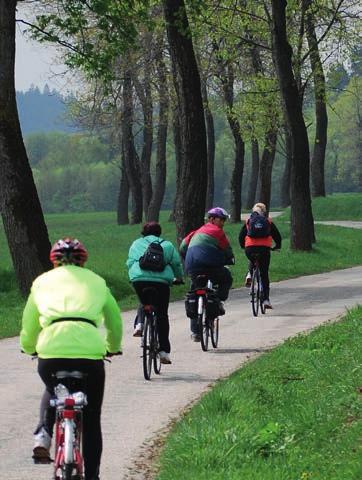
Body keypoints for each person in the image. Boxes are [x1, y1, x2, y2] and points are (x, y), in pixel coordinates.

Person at [20, 238, 122, 480]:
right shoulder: (97, 282)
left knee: (52, 388)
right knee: (92, 416)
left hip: (51, 352)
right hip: (90, 354)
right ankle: (93, 476)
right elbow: (114, 321)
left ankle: (44, 433)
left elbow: (29, 323)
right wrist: (112, 347)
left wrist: (30, 347)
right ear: (83, 260)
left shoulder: (41, 282)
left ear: (54, 261)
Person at [126, 221, 183, 365]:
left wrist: (134, 276)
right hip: (161, 283)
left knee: (144, 302)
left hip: (139, 280)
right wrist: (179, 278)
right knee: (162, 315)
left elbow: (129, 262)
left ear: (143, 232)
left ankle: (139, 324)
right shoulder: (167, 245)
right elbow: (176, 263)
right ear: (159, 232)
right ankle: (163, 352)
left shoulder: (135, 244)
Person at [180, 207, 235, 341]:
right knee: (226, 278)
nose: (222, 222)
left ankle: (195, 332)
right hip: (211, 266)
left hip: (192, 266)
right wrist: (230, 259)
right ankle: (219, 301)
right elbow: (227, 250)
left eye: (223, 220)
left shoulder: (194, 233)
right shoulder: (218, 232)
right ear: (211, 219)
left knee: (195, 290)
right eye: (220, 219)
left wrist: (188, 258)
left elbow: (182, 247)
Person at [239, 202, 282, 309]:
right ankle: (266, 300)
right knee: (264, 274)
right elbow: (277, 236)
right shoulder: (268, 222)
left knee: (252, 259)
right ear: (264, 212)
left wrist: (243, 246)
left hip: (250, 248)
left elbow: (241, 236)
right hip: (264, 249)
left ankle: (250, 274)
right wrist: (277, 246)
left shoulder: (249, 221)